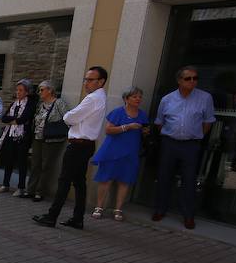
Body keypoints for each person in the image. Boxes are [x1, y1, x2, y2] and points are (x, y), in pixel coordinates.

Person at [33, 66, 108, 229]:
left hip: (78, 145)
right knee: (79, 182)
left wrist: (69, 117)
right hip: (85, 145)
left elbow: (69, 117)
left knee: (65, 180)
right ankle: (77, 218)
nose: (86, 83)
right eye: (85, 79)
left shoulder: (92, 98)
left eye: (90, 80)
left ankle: (52, 216)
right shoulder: (99, 97)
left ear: (101, 82)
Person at [152, 65, 216, 229]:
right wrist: (172, 134)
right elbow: (160, 122)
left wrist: (194, 135)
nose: (192, 81)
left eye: (195, 78)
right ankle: (160, 209)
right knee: (164, 177)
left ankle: (188, 215)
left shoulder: (205, 98)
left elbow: (208, 121)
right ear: (179, 80)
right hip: (170, 143)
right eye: (188, 78)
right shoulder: (167, 99)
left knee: (189, 180)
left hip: (191, 145)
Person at [89, 86, 149, 222]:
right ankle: (99, 207)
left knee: (125, 180)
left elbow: (145, 130)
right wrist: (127, 127)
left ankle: (118, 209)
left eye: (140, 97)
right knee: (106, 179)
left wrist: (145, 132)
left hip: (131, 151)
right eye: (135, 96)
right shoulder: (117, 112)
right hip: (113, 151)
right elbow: (108, 130)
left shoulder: (143, 115)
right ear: (126, 99)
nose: (138, 99)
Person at [28, 80, 68, 202]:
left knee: (46, 165)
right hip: (38, 137)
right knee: (35, 164)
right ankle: (30, 189)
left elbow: (68, 118)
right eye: (39, 90)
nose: (39, 92)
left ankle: (40, 192)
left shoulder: (59, 103)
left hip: (52, 139)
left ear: (50, 90)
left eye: (42, 89)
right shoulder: (41, 104)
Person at [0, 79, 36, 196]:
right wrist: (14, 120)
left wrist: (13, 120)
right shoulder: (15, 103)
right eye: (17, 90)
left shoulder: (30, 104)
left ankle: (21, 187)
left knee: (21, 162)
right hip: (11, 134)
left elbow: (23, 119)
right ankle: (5, 184)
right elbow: (4, 118)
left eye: (21, 90)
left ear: (27, 92)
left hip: (22, 136)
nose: (18, 92)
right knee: (9, 160)